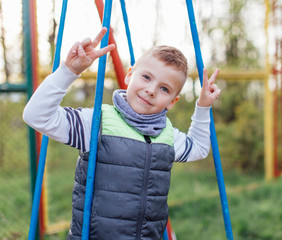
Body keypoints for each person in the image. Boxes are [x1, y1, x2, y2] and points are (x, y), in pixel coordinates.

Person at [23, 27, 221, 240]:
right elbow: (36, 116)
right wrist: (68, 71)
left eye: (164, 89)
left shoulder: (167, 137)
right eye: (146, 77)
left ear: (172, 102)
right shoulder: (97, 123)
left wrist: (202, 107)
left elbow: (199, 148)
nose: (151, 89)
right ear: (129, 75)